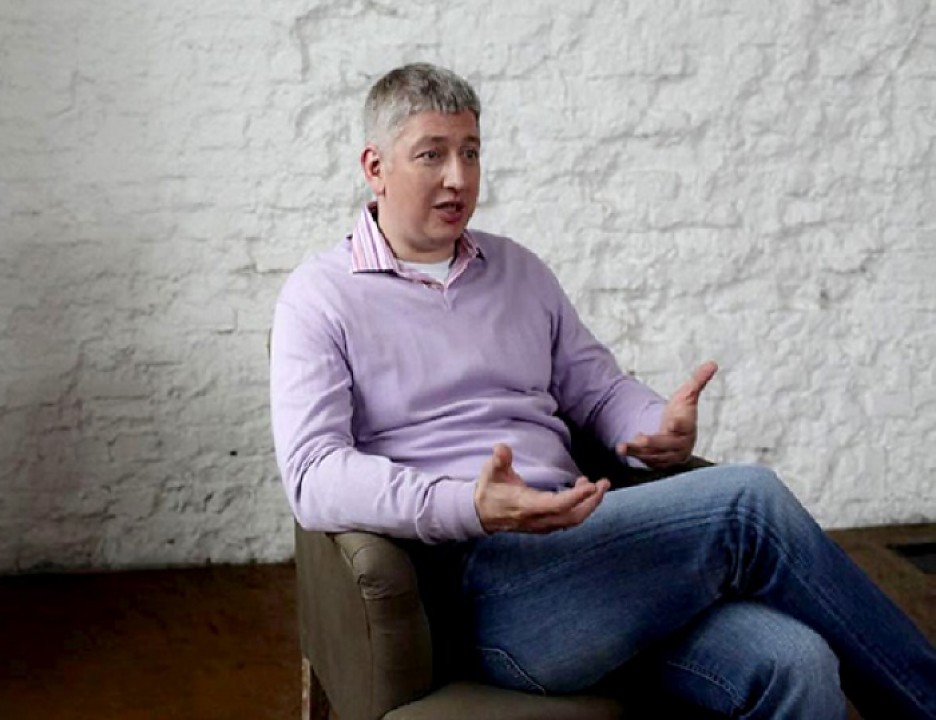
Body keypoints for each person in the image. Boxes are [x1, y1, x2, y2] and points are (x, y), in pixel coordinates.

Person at [270, 62, 936, 719]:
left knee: (796, 662)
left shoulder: (518, 270)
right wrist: (469, 504)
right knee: (748, 502)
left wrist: (652, 426)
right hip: (488, 589)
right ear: (376, 166)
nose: (459, 177)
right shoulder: (321, 296)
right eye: (432, 154)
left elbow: (597, 389)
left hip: (595, 552)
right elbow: (313, 475)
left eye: (471, 151)